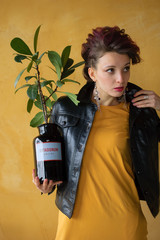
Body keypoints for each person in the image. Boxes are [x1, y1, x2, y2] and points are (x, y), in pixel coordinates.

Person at [32, 26, 160, 240]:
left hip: (125, 224)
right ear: (92, 73)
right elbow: (55, 162)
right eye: (110, 70)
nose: (121, 79)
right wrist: (45, 186)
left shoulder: (140, 113)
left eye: (126, 68)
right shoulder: (65, 109)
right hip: (76, 223)